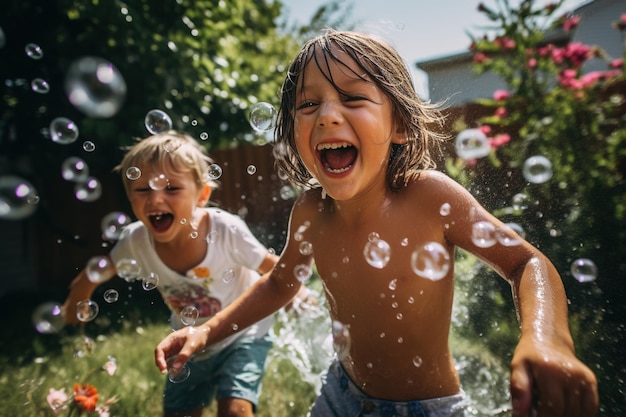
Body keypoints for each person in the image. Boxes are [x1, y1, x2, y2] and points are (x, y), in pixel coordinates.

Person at [154, 30, 599, 417]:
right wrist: (207, 330)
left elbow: (525, 263)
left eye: (352, 98)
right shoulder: (310, 211)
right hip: (340, 394)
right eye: (308, 104)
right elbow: (278, 284)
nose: (327, 114)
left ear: (400, 123)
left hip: (427, 409)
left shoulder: (430, 197)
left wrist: (547, 338)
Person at [62, 131, 284, 417]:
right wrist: (78, 296)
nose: (155, 199)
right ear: (130, 197)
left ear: (202, 195)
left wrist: (298, 294)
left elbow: (275, 269)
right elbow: (99, 270)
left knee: (235, 411)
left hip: (243, 333)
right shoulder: (135, 241)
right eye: (142, 190)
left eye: (171, 188)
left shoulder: (225, 230)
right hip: (186, 341)